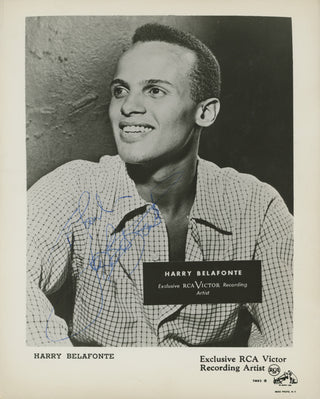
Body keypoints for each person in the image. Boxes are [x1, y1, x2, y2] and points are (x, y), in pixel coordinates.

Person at [27, 23, 293, 347]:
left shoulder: (257, 207)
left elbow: (294, 331)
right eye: (120, 90)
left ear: (205, 112)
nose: (127, 107)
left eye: (155, 90)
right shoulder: (74, 188)